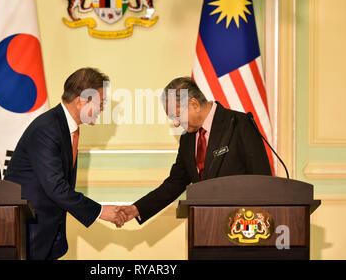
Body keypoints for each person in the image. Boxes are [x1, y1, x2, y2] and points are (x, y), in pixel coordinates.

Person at [4, 67, 125, 260]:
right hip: (29, 231)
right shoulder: (48, 129)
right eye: (101, 103)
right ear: (81, 101)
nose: (103, 109)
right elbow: (56, 187)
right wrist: (101, 211)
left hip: (48, 230)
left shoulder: (65, 127)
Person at [116, 77, 272, 224]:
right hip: (204, 226)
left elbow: (262, 179)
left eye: (176, 116)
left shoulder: (239, 124)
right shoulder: (187, 139)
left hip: (244, 225)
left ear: (194, 104)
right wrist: (136, 209)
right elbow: (175, 183)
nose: (176, 124)